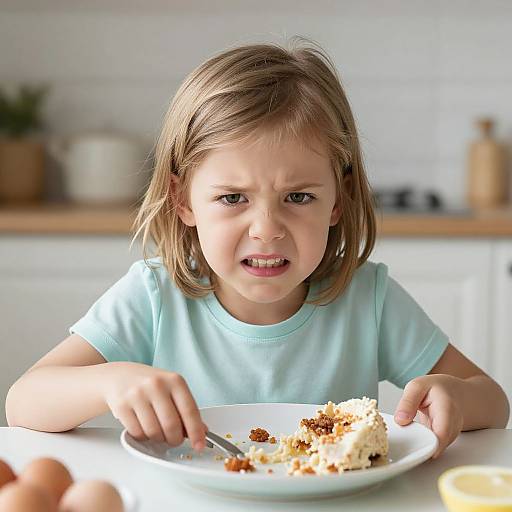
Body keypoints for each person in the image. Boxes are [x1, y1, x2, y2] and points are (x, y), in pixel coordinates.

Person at [6, 38, 509, 458]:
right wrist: (107, 382)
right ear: (184, 202)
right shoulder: (154, 297)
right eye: (232, 198)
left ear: (339, 201)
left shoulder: (367, 299)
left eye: (298, 197)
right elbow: (23, 402)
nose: (266, 229)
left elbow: (495, 401)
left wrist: (455, 395)